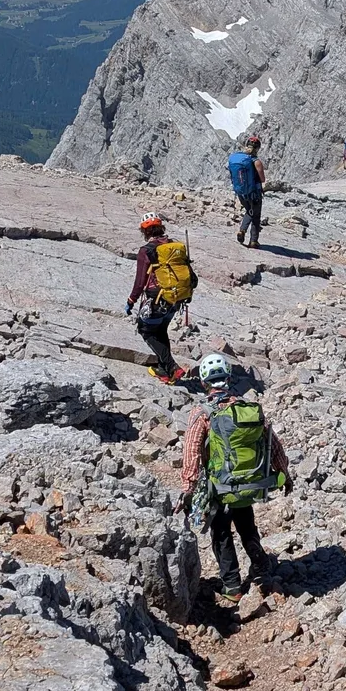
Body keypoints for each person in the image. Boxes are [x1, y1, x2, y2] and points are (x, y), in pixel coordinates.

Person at [182, 352, 289, 599]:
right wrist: (283, 471)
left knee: (220, 531)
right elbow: (272, 442)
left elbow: (192, 451)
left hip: (218, 485)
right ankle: (259, 561)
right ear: (229, 377)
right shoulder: (247, 408)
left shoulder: (203, 412)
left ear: (203, 382)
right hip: (248, 482)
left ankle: (231, 586)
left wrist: (188, 487)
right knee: (245, 522)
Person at [124, 215, 196, 383]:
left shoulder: (147, 250)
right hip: (177, 298)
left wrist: (131, 300)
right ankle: (164, 370)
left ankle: (172, 368)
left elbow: (140, 280)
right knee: (161, 329)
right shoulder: (174, 245)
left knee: (146, 331)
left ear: (144, 231)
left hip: (156, 299)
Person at [229, 133, 266, 248]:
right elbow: (262, 179)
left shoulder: (238, 158)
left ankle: (244, 232)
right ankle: (252, 239)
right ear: (257, 148)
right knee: (255, 214)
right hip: (254, 192)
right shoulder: (256, 161)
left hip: (241, 192)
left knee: (249, 211)